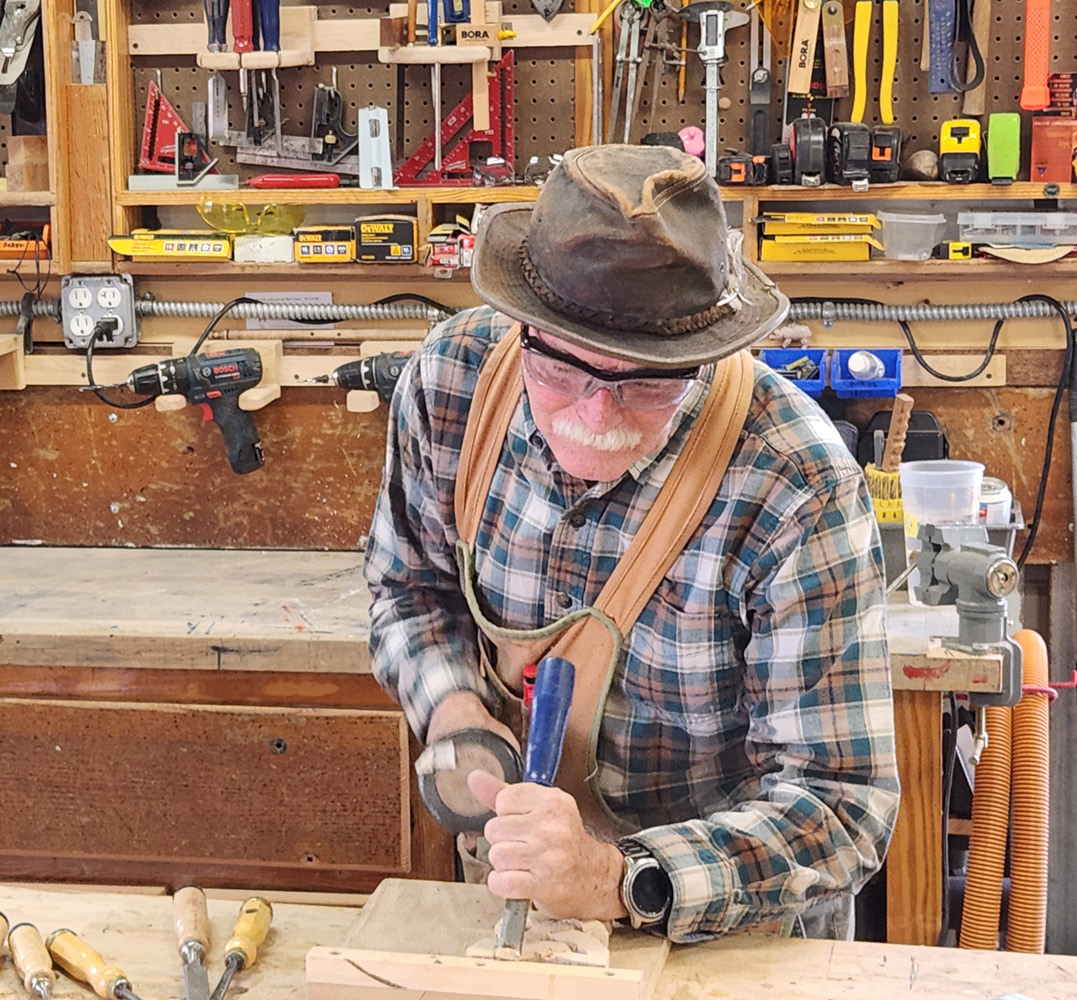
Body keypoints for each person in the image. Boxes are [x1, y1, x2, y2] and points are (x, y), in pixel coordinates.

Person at [363, 145, 899, 942]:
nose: (596, 414)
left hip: (729, 930)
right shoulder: (452, 384)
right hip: (518, 903)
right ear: (520, 328)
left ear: (707, 352)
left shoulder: (794, 481)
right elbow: (410, 589)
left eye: (646, 382)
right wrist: (453, 710)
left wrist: (622, 878)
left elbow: (840, 803)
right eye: (560, 370)